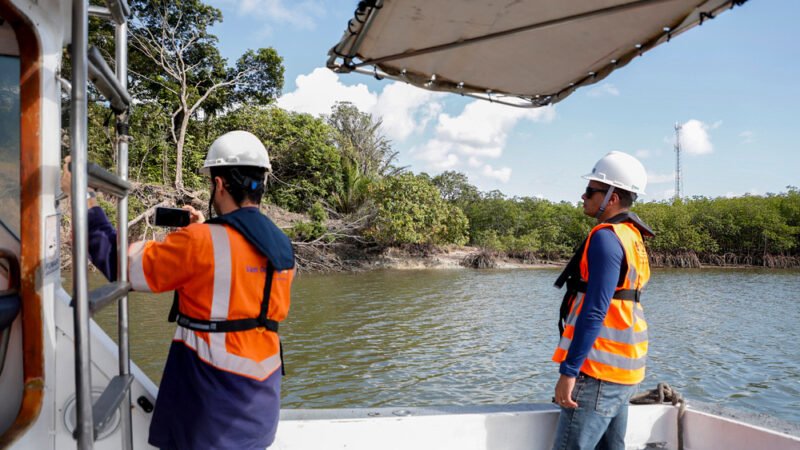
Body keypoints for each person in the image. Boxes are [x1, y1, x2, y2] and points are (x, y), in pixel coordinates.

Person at [126, 130, 296, 449]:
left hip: (213, 411)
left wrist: (91, 212)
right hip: (260, 409)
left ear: (218, 184)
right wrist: (203, 230)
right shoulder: (281, 244)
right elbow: (240, 280)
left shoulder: (201, 242)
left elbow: (124, 267)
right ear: (262, 184)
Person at [550, 151, 654, 450]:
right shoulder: (632, 236)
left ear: (611, 197)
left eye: (591, 191)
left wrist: (569, 372)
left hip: (598, 370)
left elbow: (595, 311)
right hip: (624, 370)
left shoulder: (606, 238)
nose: (583, 197)